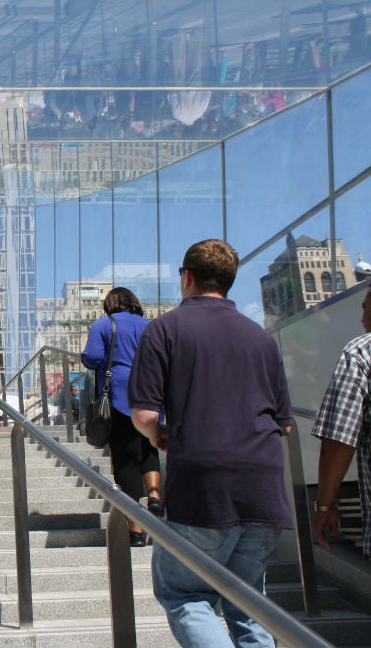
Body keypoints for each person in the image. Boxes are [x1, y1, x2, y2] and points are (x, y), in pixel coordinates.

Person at [129, 239, 294, 648]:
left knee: (185, 595)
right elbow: (285, 425)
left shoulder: (164, 330)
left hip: (202, 486)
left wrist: (159, 435)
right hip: (263, 487)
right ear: (228, 282)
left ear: (187, 277)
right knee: (249, 603)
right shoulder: (261, 338)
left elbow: (145, 416)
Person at [81, 287, 160, 547]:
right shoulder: (149, 325)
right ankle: (155, 494)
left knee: (125, 461)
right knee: (148, 446)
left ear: (109, 304)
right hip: (149, 393)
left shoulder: (104, 325)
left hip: (119, 397)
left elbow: (92, 358)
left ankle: (136, 531)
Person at [311, 284, 371, 558]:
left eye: (365, 308)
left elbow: (339, 438)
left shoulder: (360, 353)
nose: (361, 318)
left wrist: (324, 505)